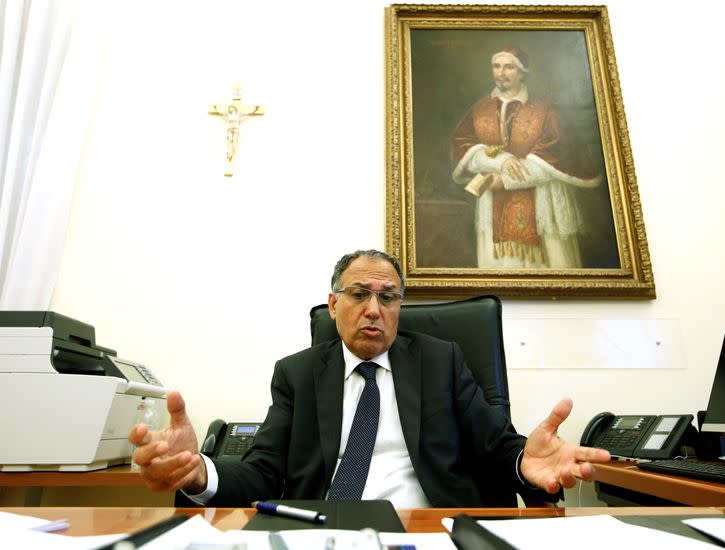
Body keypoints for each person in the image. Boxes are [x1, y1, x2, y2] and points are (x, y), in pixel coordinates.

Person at [129, 249, 610, 508]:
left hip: (429, 527)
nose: (375, 309)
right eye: (360, 294)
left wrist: (526, 459)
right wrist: (199, 471)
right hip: (322, 531)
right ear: (333, 303)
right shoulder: (297, 373)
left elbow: (494, 443)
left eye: (389, 297)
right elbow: (264, 471)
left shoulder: (441, 361)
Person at [451, 46, 602, 269]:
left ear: (522, 72)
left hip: (541, 198)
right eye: (497, 66)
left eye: (509, 67)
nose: (501, 72)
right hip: (492, 202)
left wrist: (504, 179)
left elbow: (557, 154)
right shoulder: (480, 109)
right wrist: (500, 161)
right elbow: (464, 145)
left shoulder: (545, 110)